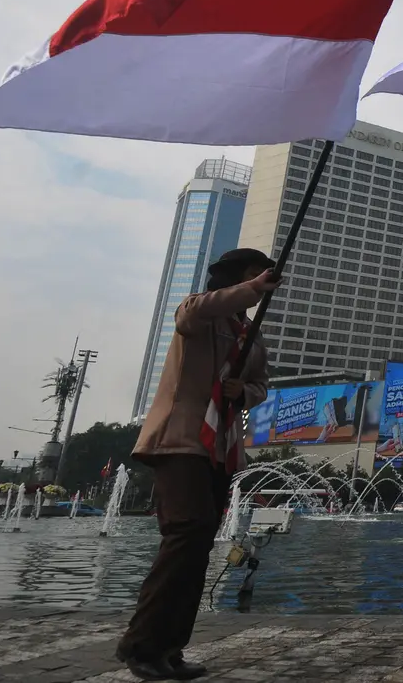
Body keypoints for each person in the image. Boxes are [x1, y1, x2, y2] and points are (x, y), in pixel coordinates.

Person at [116, 248, 279, 680]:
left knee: (199, 543)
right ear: (231, 279)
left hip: (220, 448)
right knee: (186, 534)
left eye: (262, 278)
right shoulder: (198, 313)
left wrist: (241, 391)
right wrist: (251, 288)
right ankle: (142, 645)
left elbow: (262, 385)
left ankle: (170, 648)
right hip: (180, 440)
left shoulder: (252, 336)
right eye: (250, 277)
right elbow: (193, 313)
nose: (258, 286)